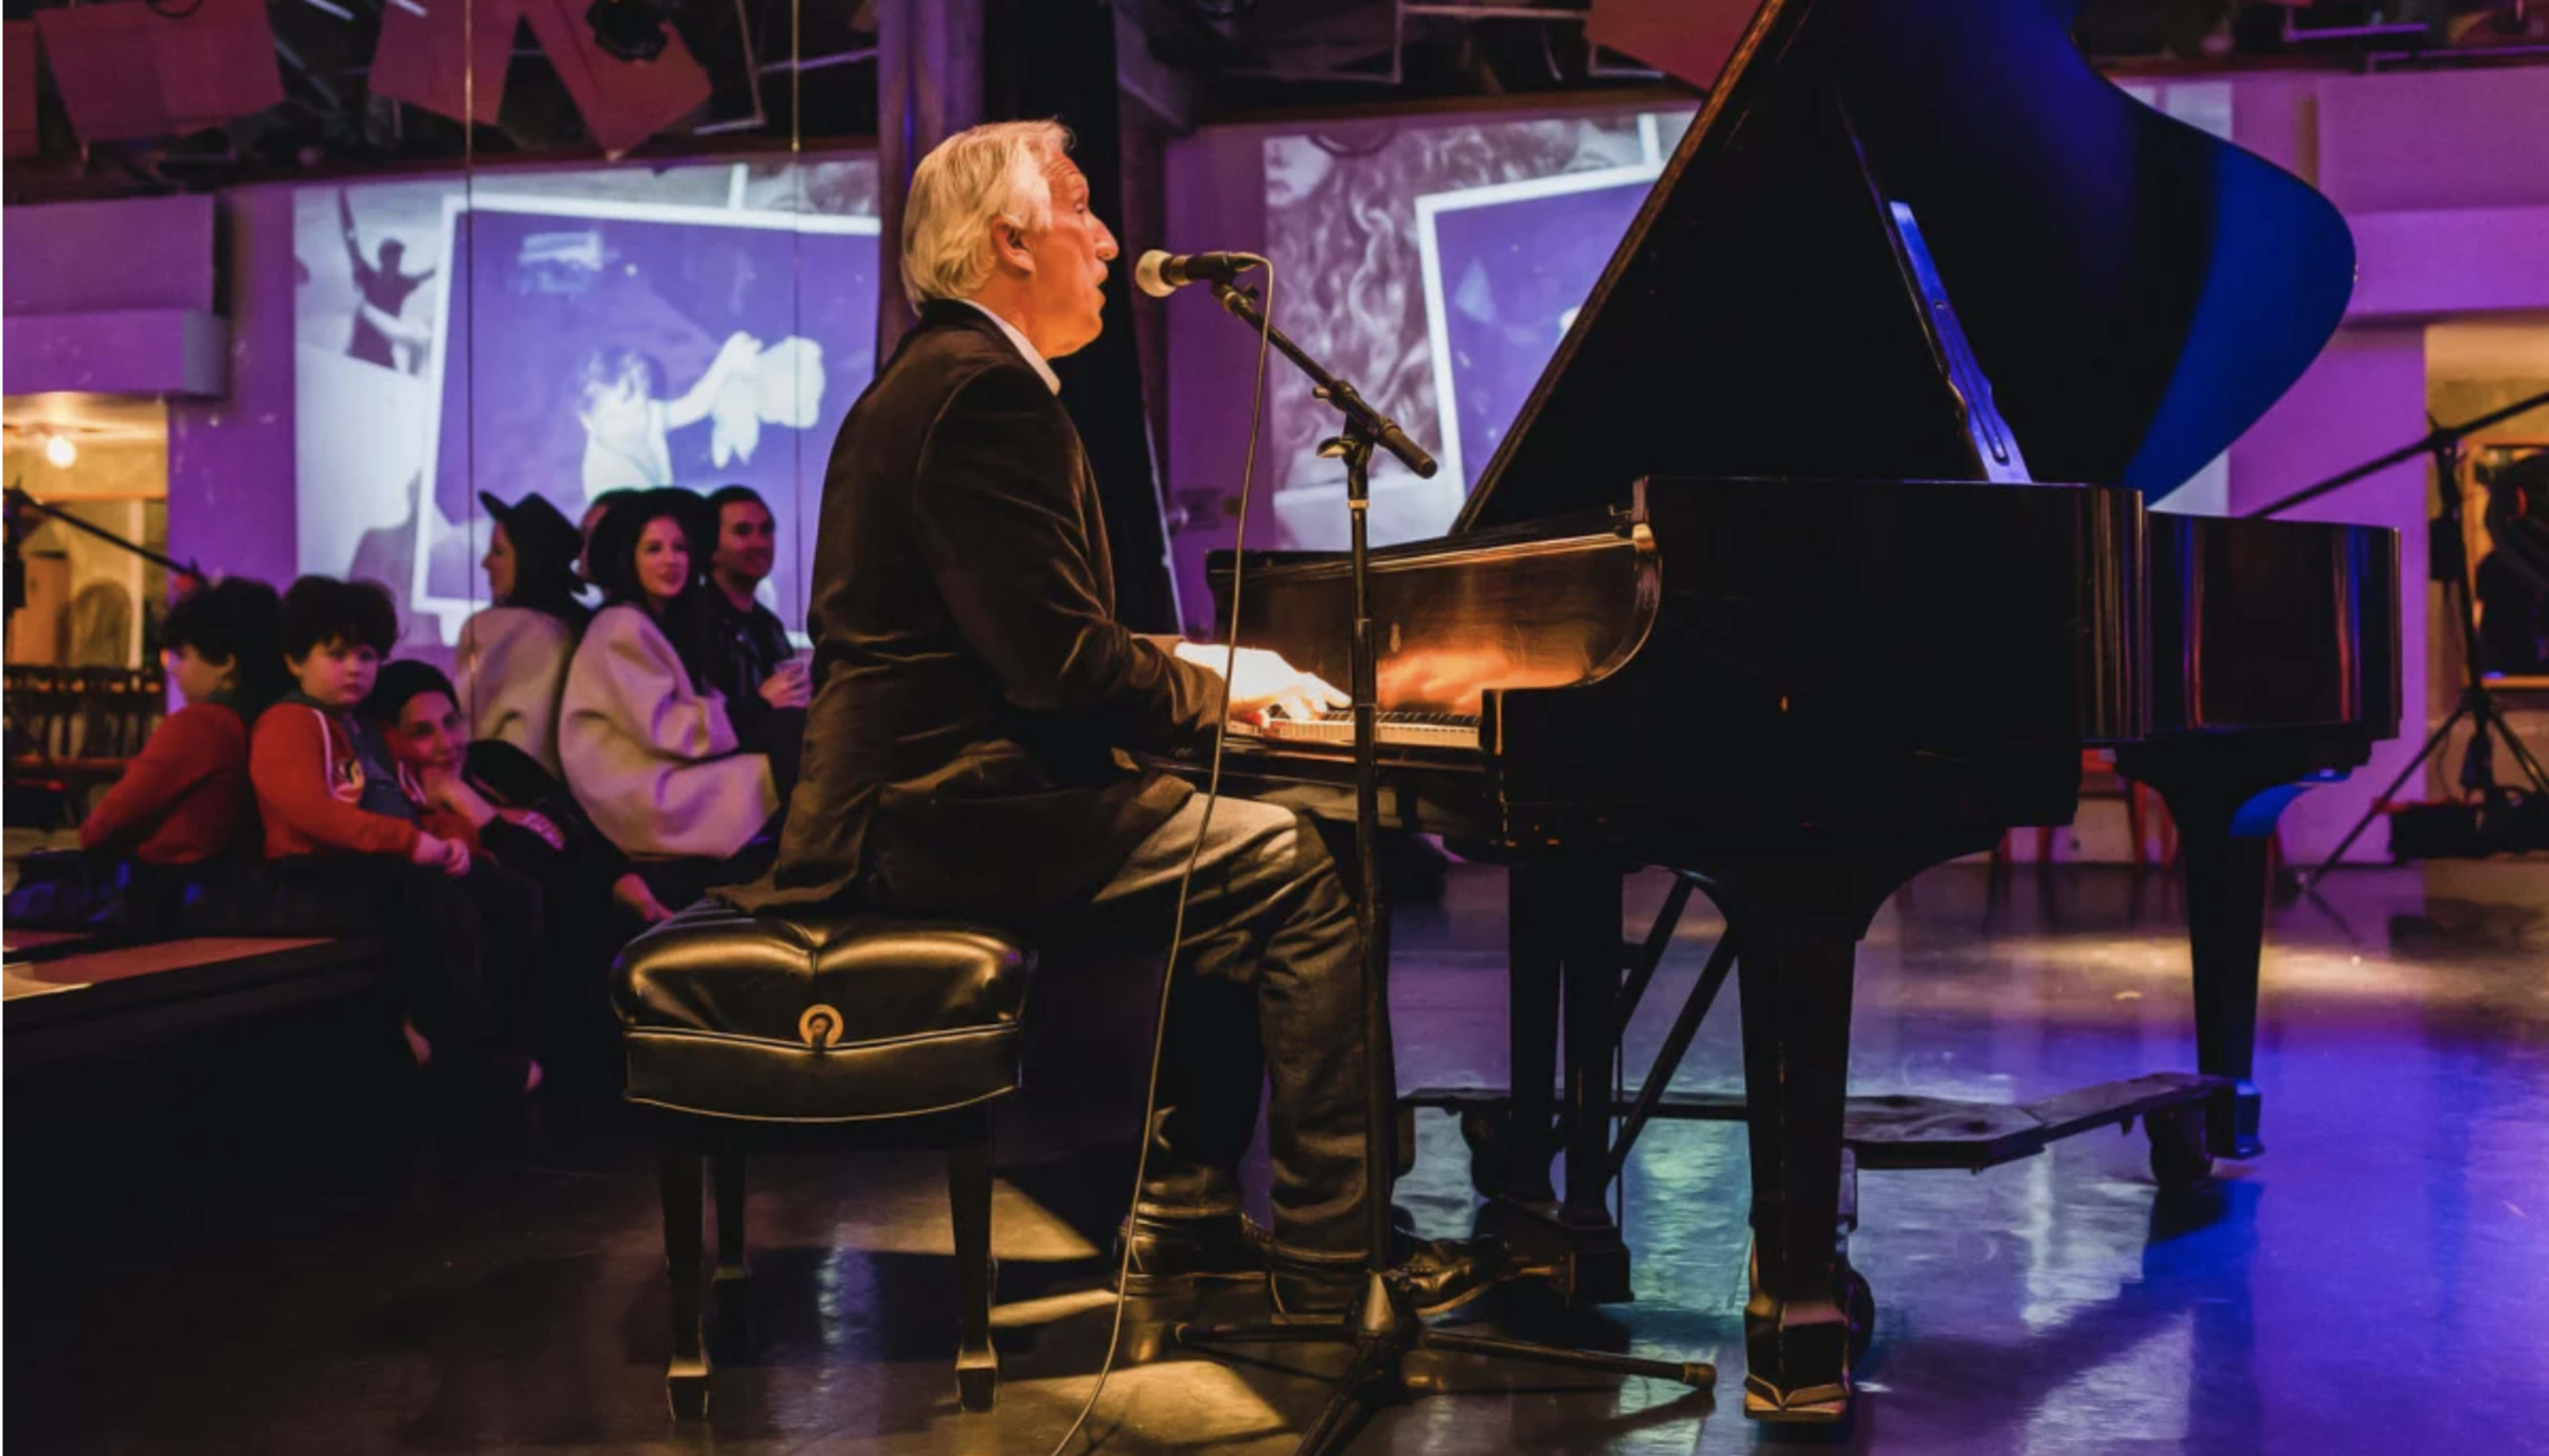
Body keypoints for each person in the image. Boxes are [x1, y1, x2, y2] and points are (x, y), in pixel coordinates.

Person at [722, 121, 1479, 1313]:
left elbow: (1036, 634)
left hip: (949, 793)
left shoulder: (955, 381)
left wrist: (1222, 660)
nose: (1111, 239)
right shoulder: (980, 397)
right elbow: (1059, 667)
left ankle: (1183, 1211)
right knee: (1299, 860)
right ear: (1011, 240)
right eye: (1083, 207)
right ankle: (1340, 1259)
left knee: (1251, 838)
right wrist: (1224, 684)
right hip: (933, 814)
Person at [251, 575, 544, 1096]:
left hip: (384, 865)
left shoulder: (370, 730)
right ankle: (463, 1058)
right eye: (336, 654)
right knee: (444, 909)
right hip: (316, 874)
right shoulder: (289, 723)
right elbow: (315, 816)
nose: (354, 668)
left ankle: (496, 1034)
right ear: (296, 661)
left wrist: (446, 842)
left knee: (510, 894)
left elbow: (415, 803)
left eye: (366, 655)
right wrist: (411, 845)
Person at [368, 659, 671, 1066]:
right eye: (422, 733)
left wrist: (630, 885)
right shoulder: (425, 818)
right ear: (390, 743)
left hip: (612, 925)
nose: (447, 744)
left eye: (452, 722)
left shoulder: (494, 759)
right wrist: (467, 804)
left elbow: (576, 825)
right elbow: (532, 878)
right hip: (561, 975)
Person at [558, 490, 781, 889]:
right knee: (788, 754)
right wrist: (759, 706)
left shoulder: (662, 623)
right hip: (640, 792)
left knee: (794, 739)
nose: (671, 560)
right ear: (631, 558)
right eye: (654, 549)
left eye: (679, 548)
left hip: (663, 772)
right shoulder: (620, 627)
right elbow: (667, 728)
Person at [79, 577, 287, 866]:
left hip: (174, 892)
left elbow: (108, 822)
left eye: (182, 655)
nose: (174, 670)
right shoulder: (281, 719)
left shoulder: (201, 725)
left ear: (226, 662)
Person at [454, 491, 589, 778]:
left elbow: (460, 729)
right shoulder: (578, 627)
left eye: (499, 552)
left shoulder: (496, 631)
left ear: (530, 561)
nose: (485, 563)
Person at [673, 484, 808, 746]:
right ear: (710, 546)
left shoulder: (769, 625)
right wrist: (761, 704)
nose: (760, 543)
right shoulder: (693, 620)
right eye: (743, 531)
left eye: (766, 530)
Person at [341, 190, 435, 372]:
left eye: (398, 257)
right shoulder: (367, 277)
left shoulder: (403, 285)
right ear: (382, 258)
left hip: (384, 361)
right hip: (358, 357)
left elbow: (430, 273)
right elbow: (350, 240)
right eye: (392, 256)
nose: (396, 261)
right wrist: (342, 199)